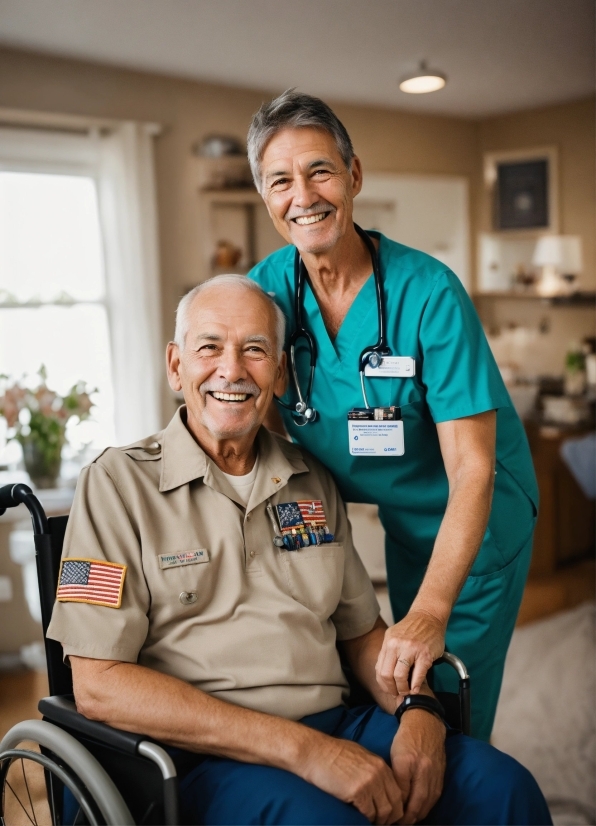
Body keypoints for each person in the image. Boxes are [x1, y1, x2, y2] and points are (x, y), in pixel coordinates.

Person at [47, 277, 550, 826]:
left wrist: (420, 711)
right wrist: (303, 752)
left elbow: (362, 635)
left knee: (504, 789)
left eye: (255, 350)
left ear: (281, 372)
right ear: (175, 365)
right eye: (209, 347)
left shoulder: (311, 479)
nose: (232, 370)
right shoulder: (116, 485)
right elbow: (97, 685)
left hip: (339, 723)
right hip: (203, 758)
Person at [247, 90, 539, 741]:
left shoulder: (427, 292)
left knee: (441, 696)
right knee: (386, 683)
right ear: (265, 197)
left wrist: (433, 611)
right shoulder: (266, 289)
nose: (304, 195)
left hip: (475, 515)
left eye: (320, 170)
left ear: (353, 175)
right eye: (281, 180)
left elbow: (472, 468)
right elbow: (248, 403)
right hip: (399, 517)